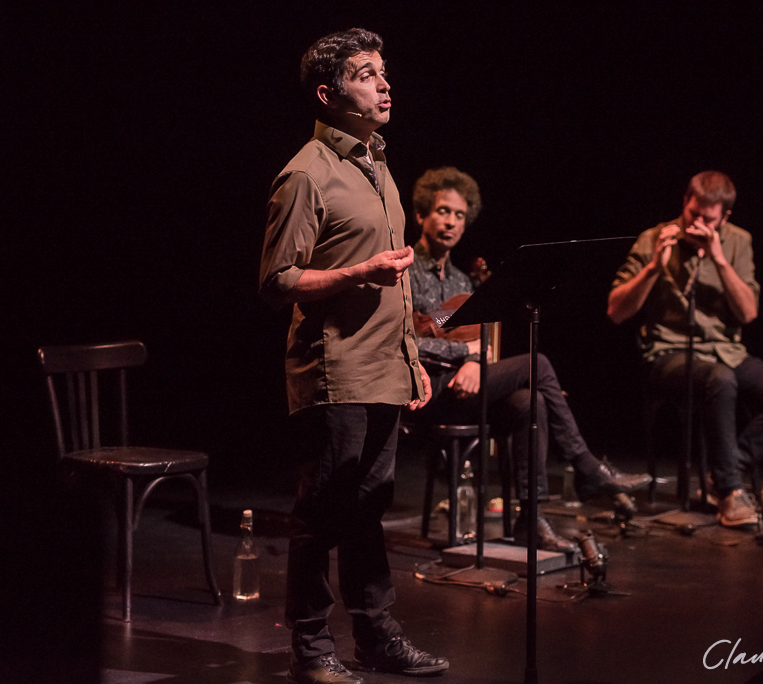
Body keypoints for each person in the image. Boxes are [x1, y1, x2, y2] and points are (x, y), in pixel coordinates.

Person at [259, 29, 448, 684]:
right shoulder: (307, 173)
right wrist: (354, 273)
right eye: (367, 74)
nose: (385, 83)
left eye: (384, 71)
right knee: (324, 512)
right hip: (334, 370)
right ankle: (311, 647)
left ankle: (377, 636)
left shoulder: (377, 164)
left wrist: (413, 356)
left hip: (385, 367)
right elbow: (277, 280)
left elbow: (394, 283)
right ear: (329, 93)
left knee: (370, 509)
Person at [407, 167, 652, 552]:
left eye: (459, 214)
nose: (451, 221)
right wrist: (465, 354)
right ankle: (587, 467)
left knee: (531, 402)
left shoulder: (461, 282)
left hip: (470, 390)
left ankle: (530, 519)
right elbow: (404, 340)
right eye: (442, 211)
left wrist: (477, 361)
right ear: (421, 214)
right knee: (538, 365)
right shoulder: (405, 271)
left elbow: (480, 341)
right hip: (428, 389)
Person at [607, 170, 763, 528]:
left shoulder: (737, 241)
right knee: (721, 380)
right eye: (692, 214)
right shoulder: (653, 238)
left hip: (725, 350)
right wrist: (654, 266)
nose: (697, 223)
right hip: (668, 354)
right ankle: (730, 492)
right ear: (685, 202)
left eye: (708, 219)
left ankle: (721, 472)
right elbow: (616, 310)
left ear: (725, 218)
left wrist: (718, 258)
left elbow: (748, 311)